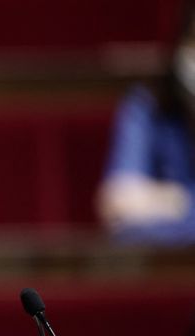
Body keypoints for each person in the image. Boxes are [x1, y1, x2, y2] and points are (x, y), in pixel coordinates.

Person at [96, 2, 195, 245]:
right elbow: (118, 201)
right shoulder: (148, 106)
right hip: (169, 261)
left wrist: (167, 200)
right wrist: (184, 201)